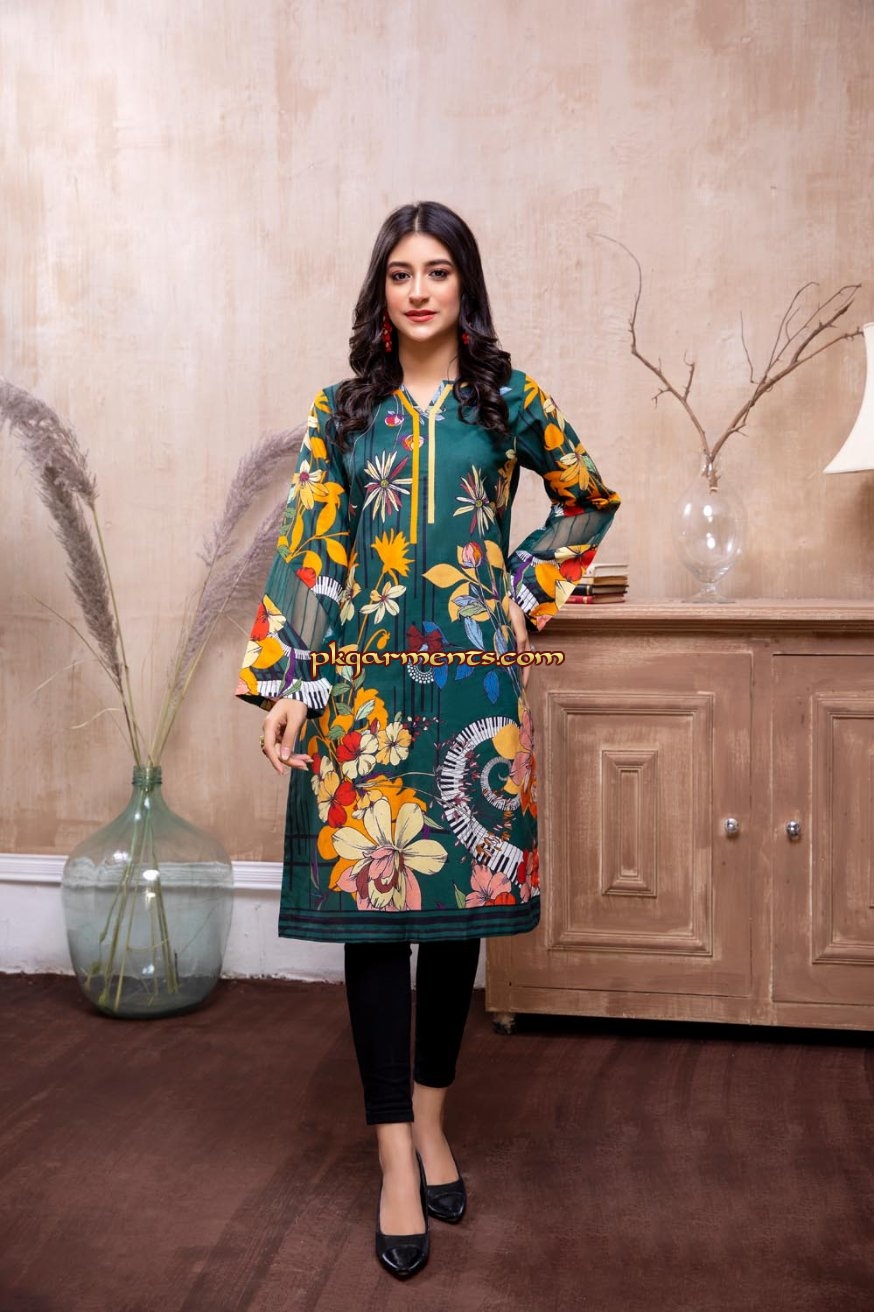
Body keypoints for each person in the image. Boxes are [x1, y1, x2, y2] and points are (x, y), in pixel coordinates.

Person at [236, 201, 620, 1280]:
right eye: (400, 272)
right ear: (381, 289)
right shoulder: (342, 411)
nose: (418, 290)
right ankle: (394, 1155)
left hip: (473, 694)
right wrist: (291, 685)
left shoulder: (507, 400)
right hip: (360, 697)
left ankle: (434, 1119)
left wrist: (522, 590)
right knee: (375, 925)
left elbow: (586, 498)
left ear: (464, 286)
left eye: (437, 271)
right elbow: (311, 551)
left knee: (455, 924)